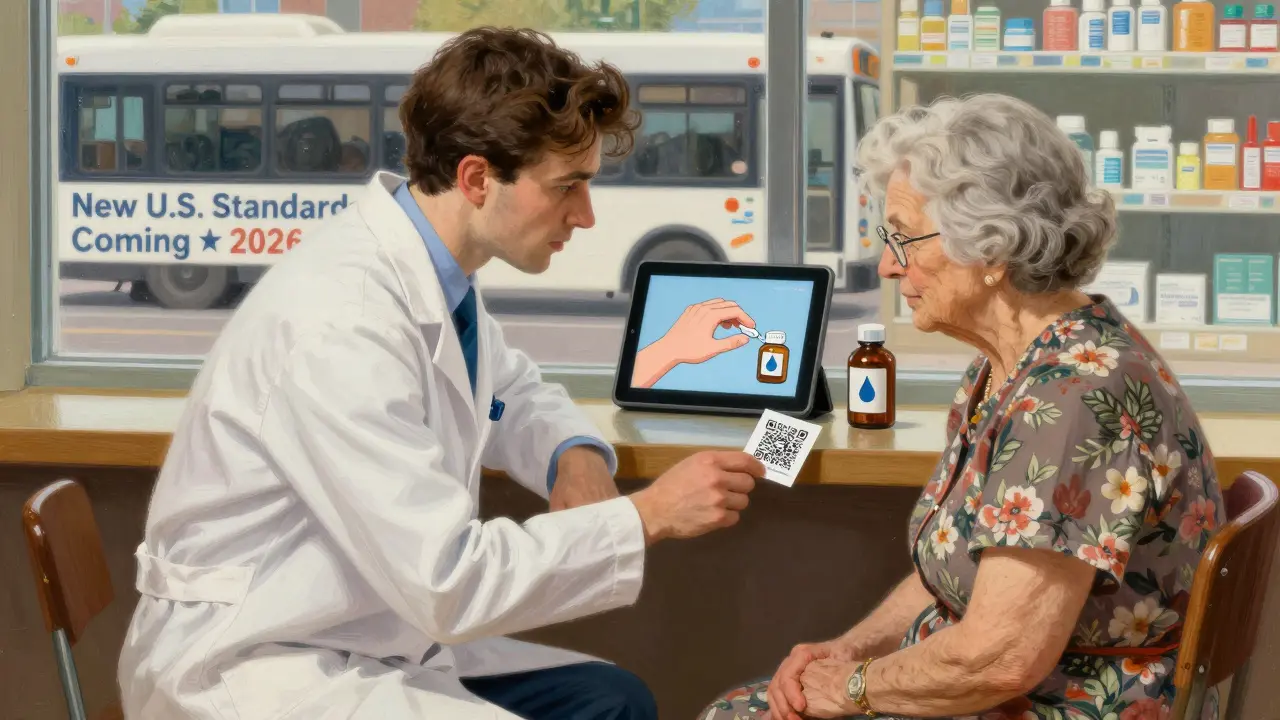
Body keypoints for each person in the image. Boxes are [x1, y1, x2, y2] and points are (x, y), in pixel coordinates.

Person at [117, 27, 767, 720]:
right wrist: (650, 515)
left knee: (614, 700)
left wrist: (569, 453)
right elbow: (448, 581)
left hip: (356, 632)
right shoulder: (339, 323)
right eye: (567, 187)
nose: (585, 215)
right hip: (257, 659)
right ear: (478, 179)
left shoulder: (432, 272)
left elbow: (506, 386)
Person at [699, 93, 1225, 720]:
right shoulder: (1007, 365)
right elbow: (956, 565)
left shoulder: (1074, 398)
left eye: (904, 239)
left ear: (993, 250)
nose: (887, 266)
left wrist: (852, 688)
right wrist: (850, 649)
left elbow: (1001, 658)